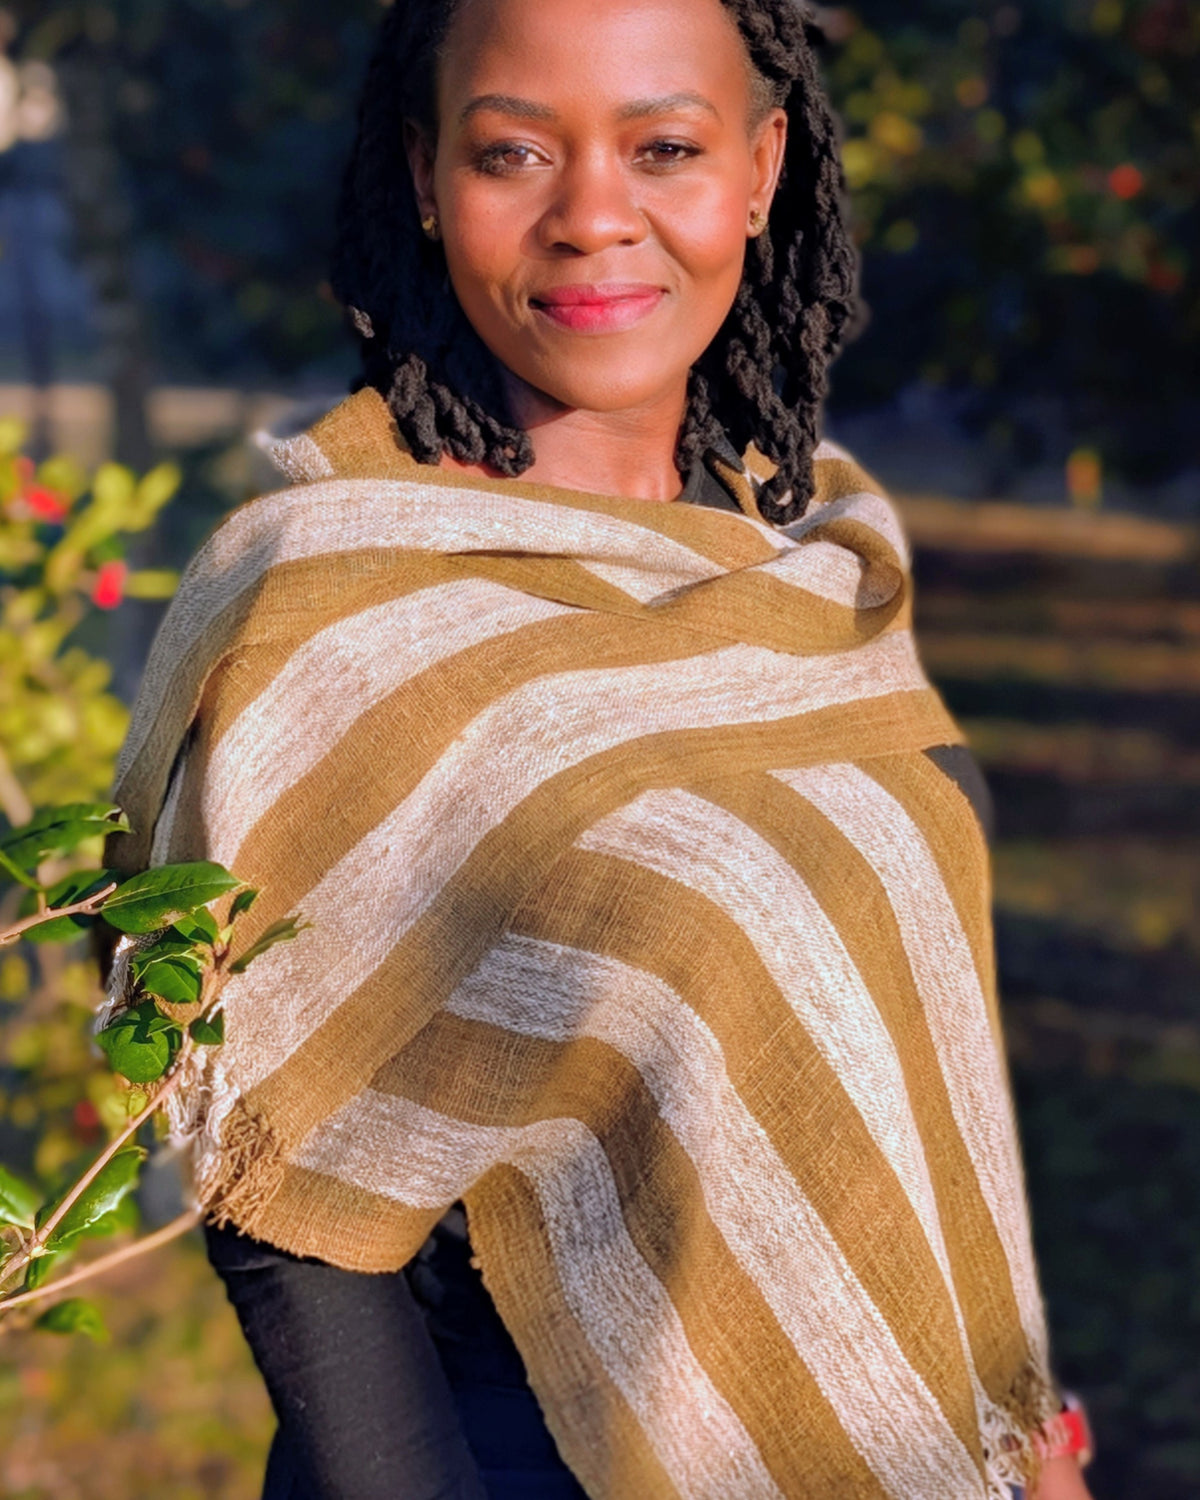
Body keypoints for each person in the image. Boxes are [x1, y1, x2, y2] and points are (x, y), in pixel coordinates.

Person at [103, 0, 1096, 1495]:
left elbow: (911, 1076)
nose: (592, 218)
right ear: (427, 177)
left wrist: (1031, 1448)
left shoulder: (809, 552)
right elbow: (288, 1209)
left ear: (761, 173)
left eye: (666, 148)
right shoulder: (328, 606)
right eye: (513, 153)